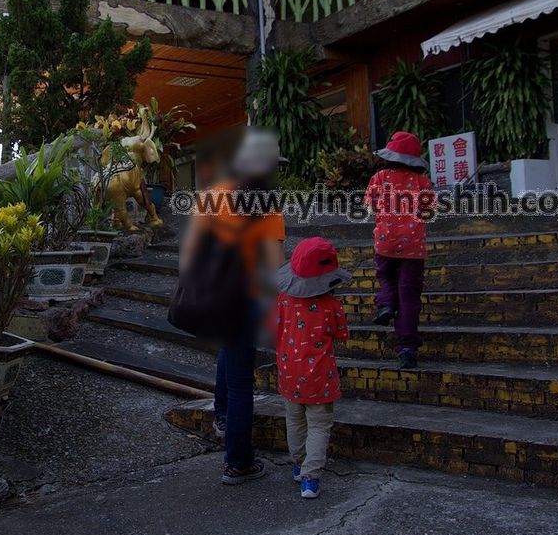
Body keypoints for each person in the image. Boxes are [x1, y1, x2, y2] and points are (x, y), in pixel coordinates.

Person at [179, 128, 286, 484]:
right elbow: (273, 262)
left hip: (213, 294)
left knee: (228, 349)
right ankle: (238, 462)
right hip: (245, 296)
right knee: (243, 381)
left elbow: (191, 252)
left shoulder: (210, 195)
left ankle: (222, 415)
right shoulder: (266, 203)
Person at [273, 236, 351, 499]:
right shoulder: (332, 306)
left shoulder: (283, 300)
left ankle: (298, 465)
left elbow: (272, 329)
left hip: (289, 374)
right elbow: (342, 334)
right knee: (318, 426)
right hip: (320, 377)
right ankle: (311, 478)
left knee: (294, 421)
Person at [364, 131, 435, 369]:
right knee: (410, 295)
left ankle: (385, 304)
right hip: (413, 248)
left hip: (385, 243)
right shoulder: (423, 183)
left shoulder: (379, 177)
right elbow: (429, 213)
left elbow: (371, 207)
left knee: (386, 278)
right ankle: (406, 348)